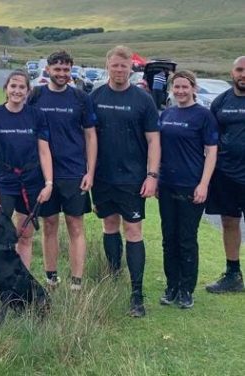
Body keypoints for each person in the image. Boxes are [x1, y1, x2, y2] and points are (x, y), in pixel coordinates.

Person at [0, 69, 53, 318]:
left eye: (22, 87)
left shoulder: (36, 116)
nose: (17, 91)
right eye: (13, 86)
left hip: (30, 182)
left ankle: (20, 288)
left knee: (25, 236)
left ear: (28, 92)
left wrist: (49, 182)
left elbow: (44, 151)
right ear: (6, 88)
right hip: (4, 183)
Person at [90, 45, 160, 318]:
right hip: (103, 177)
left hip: (132, 178)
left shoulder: (143, 99)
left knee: (133, 230)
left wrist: (152, 175)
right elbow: (88, 137)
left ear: (132, 67)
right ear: (107, 65)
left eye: (124, 66)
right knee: (109, 225)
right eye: (115, 65)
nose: (120, 70)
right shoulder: (95, 97)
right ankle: (113, 272)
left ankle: (137, 294)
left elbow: (154, 140)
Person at [28, 50, 97, 291]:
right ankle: (51, 277)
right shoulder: (36, 95)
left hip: (74, 171)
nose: (62, 74)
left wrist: (90, 172)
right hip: (43, 174)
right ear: (48, 70)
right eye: (57, 69)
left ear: (72, 71)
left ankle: (76, 281)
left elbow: (90, 135)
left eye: (66, 70)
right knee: (49, 225)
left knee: (75, 226)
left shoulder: (80, 98)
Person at [158, 70, 218, 309]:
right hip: (166, 185)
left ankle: (186, 289)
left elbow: (211, 151)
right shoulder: (167, 114)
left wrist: (203, 184)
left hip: (191, 186)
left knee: (186, 238)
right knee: (168, 238)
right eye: (177, 87)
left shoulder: (203, 116)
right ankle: (171, 286)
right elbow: (157, 148)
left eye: (185, 87)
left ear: (194, 88)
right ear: (172, 88)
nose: (181, 91)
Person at [205, 56, 245, 293]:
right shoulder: (220, 102)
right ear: (232, 73)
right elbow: (212, 140)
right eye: (239, 70)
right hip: (226, 175)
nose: (243, 75)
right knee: (229, 222)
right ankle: (233, 275)